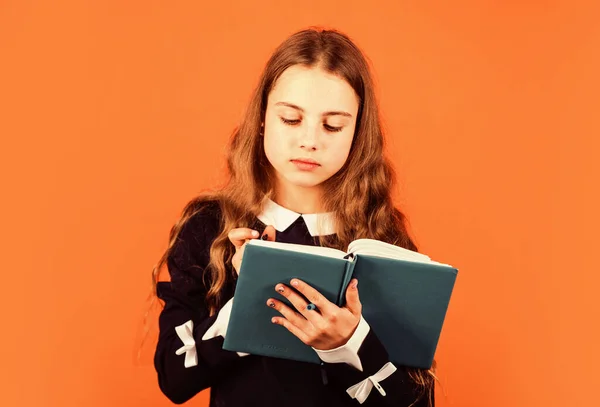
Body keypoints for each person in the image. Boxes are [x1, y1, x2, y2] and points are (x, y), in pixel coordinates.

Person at [151, 27, 437, 406]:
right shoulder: (210, 224)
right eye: (291, 118)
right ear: (263, 118)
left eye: (333, 125)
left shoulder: (382, 239)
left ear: (357, 135)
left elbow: (418, 401)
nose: (310, 140)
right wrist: (250, 296)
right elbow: (173, 378)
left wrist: (350, 344)